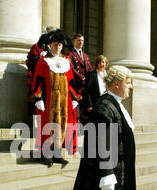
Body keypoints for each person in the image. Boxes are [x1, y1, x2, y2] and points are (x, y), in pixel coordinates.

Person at [31, 29, 81, 167]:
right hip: (49, 100)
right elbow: (38, 82)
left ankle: (58, 154)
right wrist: (38, 98)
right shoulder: (43, 62)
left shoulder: (66, 62)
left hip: (64, 102)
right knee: (48, 127)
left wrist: (75, 99)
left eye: (59, 45)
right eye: (55, 44)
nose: (57, 47)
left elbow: (71, 82)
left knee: (62, 126)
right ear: (50, 45)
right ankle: (47, 155)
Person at [26, 26, 56, 115]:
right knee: (38, 113)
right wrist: (39, 58)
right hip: (39, 83)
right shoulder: (37, 46)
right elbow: (30, 62)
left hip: (51, 84)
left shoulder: (55, 48)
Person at [81, 55, 108, 124]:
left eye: (103, 62)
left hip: (107, 102)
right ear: (96, 64)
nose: (101, 64)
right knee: (96, 122)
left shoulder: (108, 74)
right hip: (95, 103)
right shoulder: (91, 75)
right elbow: (87, 91)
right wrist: (89, 105)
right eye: (99, 62)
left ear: (106, 63)